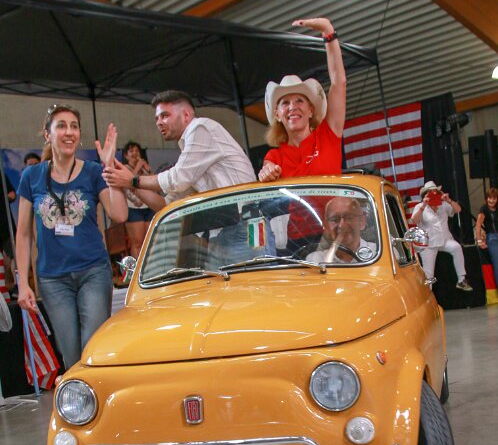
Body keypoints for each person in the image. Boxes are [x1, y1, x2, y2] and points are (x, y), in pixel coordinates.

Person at [16, 104, 128, 369]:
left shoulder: (92, 171)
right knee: (72, 356)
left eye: (74, 126)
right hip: (53, 279)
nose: (69, 132)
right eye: (62, 126)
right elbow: (23, 233)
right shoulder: (31, 176)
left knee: (93, 349)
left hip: (93, 272)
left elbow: (119, 214)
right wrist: (23, 283)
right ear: (48, 134)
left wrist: (109, 167)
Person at [259, 17, 346, 252]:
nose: (292, 107)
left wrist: (328, 33)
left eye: (299, 100)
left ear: (311, 110)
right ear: (277, 114)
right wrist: (266, 172)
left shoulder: (328, 134)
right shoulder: (275, 156)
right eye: (285, 102)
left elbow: (338, 83)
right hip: (297, 243)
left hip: (336, 234)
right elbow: (266, 170)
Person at [102, 90, 255, 208]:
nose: (158, 123)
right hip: (231, 225)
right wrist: (130, 183)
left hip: (245, 220)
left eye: (164, 116)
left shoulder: (200, 127)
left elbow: (178, 178)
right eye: (156, 118)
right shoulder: (190, 154)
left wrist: (134, 180)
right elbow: (166, 204)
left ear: (186, 115)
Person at [411, 181, 472, 291]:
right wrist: (423, 206)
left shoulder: (443, 205)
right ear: (425, 195)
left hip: (444, 240)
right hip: (428, 244)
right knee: (429, 273)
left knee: (457, 247)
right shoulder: (419, 206)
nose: (434, 194)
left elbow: (458, 209)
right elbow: (414, 220)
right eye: (430, 192)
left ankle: (461, 280)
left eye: (435, 192)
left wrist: (449, 200)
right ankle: (428, 293)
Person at [305, 196, 376, 264]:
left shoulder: (376, 253)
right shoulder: (315, 260)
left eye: (349, 218)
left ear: (362, 221)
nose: (341, 225)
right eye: (335, 219)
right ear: (326, 226)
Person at [120, 140, 155, 258]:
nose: (135, 153)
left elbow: (156, 185)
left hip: (148, 206)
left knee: (150, 240)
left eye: (137, 151)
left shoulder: (144, 168)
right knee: (137, 242)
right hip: (133, 208)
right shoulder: (124, 168)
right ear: (126, 155)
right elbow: (128, 183)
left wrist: (148, 170)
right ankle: (137, 267)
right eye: (131, 151)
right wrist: (137, 168)